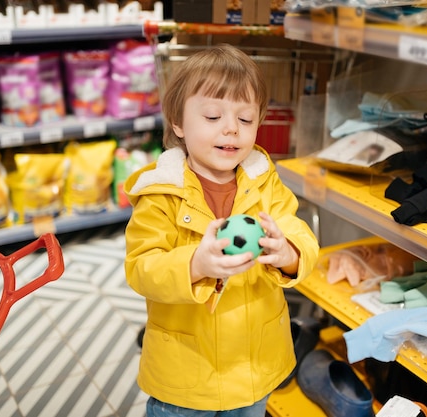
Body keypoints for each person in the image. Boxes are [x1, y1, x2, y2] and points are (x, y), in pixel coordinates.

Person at [124, 43, 320, 417]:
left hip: (254, 367)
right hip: (186, 377)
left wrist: (289, 253)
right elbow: (141, 269)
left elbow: (299, 231)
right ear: (178, 123)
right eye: (213, 116)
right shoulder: (160, 193)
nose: (231, 128)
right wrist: (196, 264)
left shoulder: (264, 182)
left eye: (245, 120)